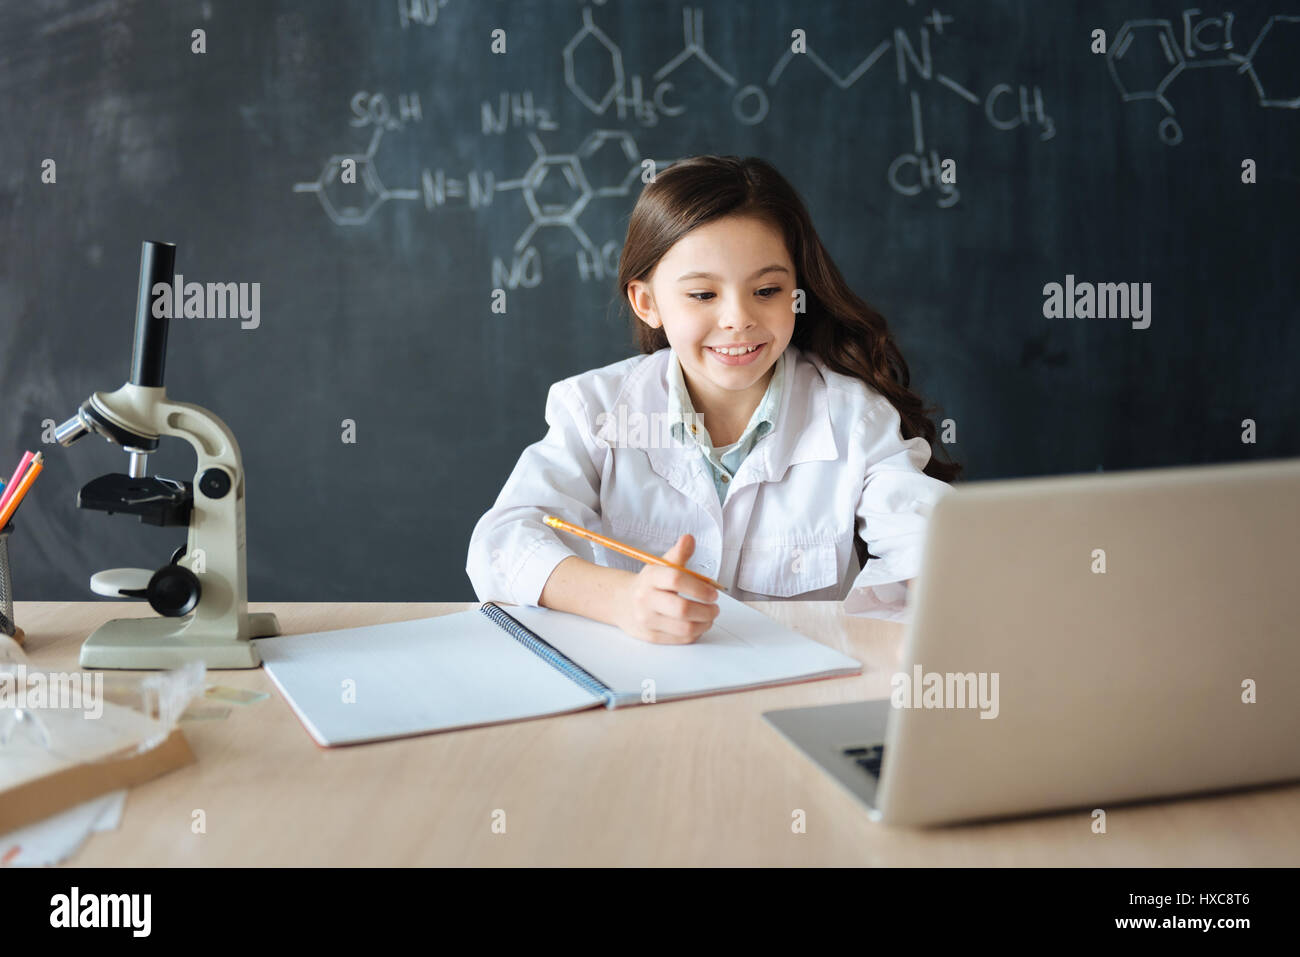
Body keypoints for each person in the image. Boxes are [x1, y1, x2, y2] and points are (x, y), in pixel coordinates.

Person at [467, 155, 960, 644]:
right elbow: (500, 543)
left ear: (797, 292)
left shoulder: (854, 416)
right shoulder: (597, 409)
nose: (738, 319)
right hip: (648, 692)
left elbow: (928, 543)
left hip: (799, 690)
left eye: (767, 290)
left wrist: (937, 581)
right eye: (703, 295)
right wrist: (623, 600)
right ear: (648, 302)